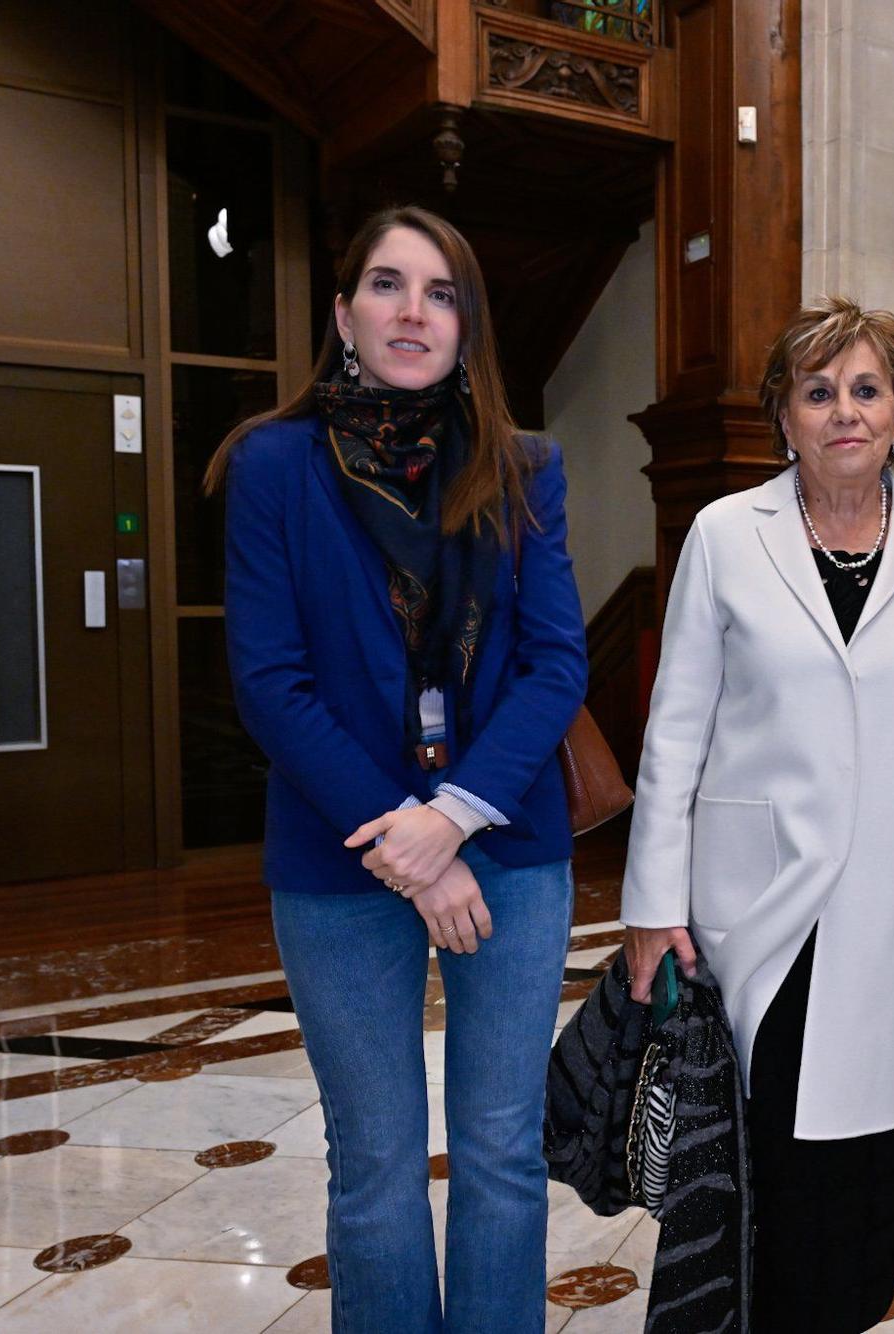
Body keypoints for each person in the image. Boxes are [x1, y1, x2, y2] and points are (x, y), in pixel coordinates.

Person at [208, 205, 587, 1332]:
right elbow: (270, 681)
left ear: (466, 327)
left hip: (506, 843)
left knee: (500, 1151)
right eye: (386, 284)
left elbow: (556, 660)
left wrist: (455, 818)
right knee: (372, 1159)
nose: (411, 310)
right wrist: (406, 838)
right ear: (342, 315)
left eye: (439, 291)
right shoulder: (272, 464)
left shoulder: (525, 467)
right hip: (338, 848)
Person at [619, 296, 894, 1333]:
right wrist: (652, 906)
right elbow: (674, 732)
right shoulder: (721, 536)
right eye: (817, 390)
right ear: (783, 415)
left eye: (866, 389)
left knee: (869, 1176)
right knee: (756, 1174)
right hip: (754, 911)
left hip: (892, 908)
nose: (844, 411)